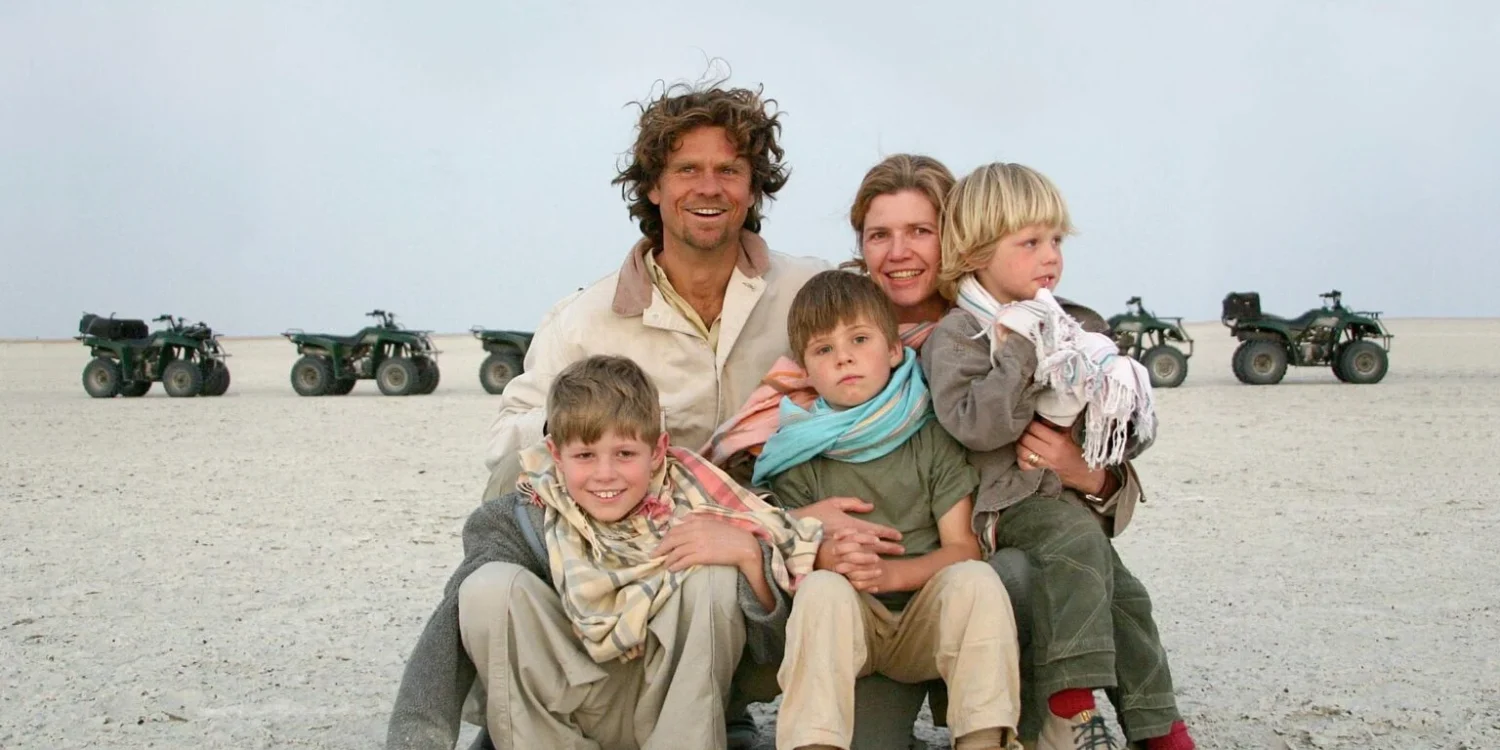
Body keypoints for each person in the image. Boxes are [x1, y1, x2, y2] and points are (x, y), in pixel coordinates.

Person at [387, 355, 822, 749]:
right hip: (567, 707)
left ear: (658, 451)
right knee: (485, 588)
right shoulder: (521, 516)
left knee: (714, 574)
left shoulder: (701, 502)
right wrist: (415, 738)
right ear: (556, 454)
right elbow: (447, 631)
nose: (605, 474)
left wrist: (750, 557)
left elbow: (770, 652)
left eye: (625, 453)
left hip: (674, 708)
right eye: (585, 455)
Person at [922, 162, 1195, 750]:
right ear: (976, 252)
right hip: (1000, 507)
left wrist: (1105, 417)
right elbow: (977, 426)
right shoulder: (961, 335)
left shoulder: (1069, 327)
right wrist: (1024, 350)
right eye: (1030, 243)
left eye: (1056, 241)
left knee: (1127, 597)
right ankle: (1069, 708)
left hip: (1060, 501)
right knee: (1074, 542)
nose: (1050, 256)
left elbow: (1115, 435)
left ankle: (1159, 728)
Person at [481, 81, 828, 502]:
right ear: (653, 187)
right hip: (639, 524)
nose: (709, 187)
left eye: (729, 170)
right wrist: (585, 416)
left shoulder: (810, 292)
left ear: (753, 189)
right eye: (687, 170)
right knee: (510, 483)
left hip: (786, 518)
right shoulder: (584, 321)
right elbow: (503, 443)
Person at [754, 270, 1023, 750]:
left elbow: (963, 547)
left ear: (895, 349)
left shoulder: (929, 434)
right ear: (805, 372)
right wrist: (824, 556)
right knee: (820, 590)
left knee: (977, 581)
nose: (844, 357)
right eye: (823, 349)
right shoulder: (797, 450)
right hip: (850, 632)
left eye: (859, 339)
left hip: (924, 624)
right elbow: (782, 551)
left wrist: (893, 575)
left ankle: (983, 739)